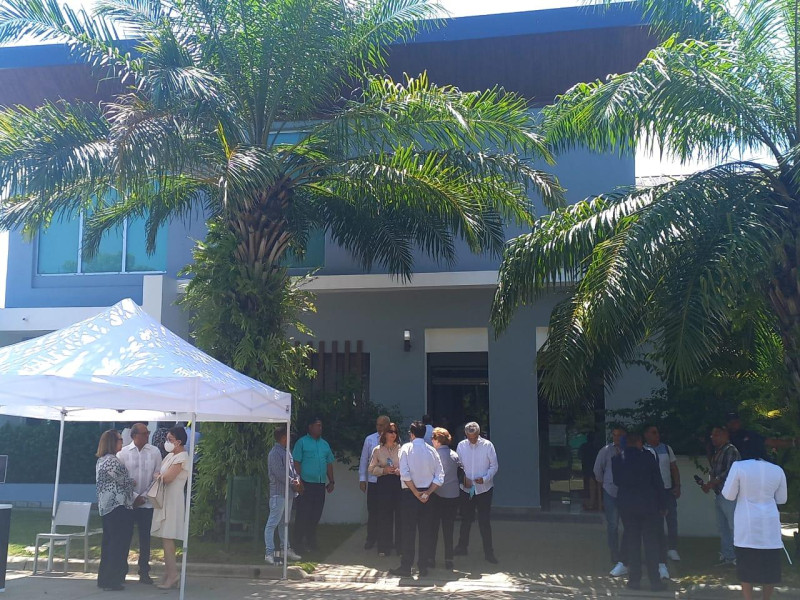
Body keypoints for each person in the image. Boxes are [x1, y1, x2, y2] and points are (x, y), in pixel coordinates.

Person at [721, 439, 788, 600]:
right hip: (769, 524)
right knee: (770, 567)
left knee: (746, 566)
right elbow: (782, 499)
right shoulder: (777, 470)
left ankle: (748, 598)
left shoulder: (739, 467)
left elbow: (728, 495)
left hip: (747, 523)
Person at [612, 432, 667, 592]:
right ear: (638, 442)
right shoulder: (648, 458)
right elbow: (658, 482)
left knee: (632, 543)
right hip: (648, 506)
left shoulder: (616, 460)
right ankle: (655, 581)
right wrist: (663, 504)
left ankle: (634, 580)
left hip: (627, 507)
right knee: (651, 544)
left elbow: (616, 481)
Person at [389, 420, 444, 578]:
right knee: (425, 531)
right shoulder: (432, 451)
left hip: (409, 494)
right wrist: (427, 492)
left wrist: (415, 492)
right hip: (427, 495)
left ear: (412, 434)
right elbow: (440, 475)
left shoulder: (406, 448)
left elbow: (405, 473)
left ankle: (406, 566)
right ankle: (423, 566)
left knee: (408, 531)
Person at [116, 422, 161, 584]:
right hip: (129, 503)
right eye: (145, 433)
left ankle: (144, 572)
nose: (148, 435)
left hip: (147, 503)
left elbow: (158, 477)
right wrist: (134, 496)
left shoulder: (155, 452)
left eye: (148, 433)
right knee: (125, 537)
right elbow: (120, 480)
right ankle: (121, 572)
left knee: (145, 539)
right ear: (135, 435)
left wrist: (144, 497)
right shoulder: (123, 454)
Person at [150, 426, 191, 590]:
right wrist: (159, 476)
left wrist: (159, 476)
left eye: (170, 440)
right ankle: (169, 572)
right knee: (165, 538)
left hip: (173, 501)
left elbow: (167, 478)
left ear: (179, 441)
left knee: (168, 537)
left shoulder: (182, 457)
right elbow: (160, 474)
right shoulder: (169, 456)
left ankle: (173, 574)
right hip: (165, 499)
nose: (167, 442)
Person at [453, 421, 499, 564]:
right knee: (466, 519)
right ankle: (462, 546)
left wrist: (485, 479)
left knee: (484, 521)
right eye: (469, 437)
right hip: (467, 489)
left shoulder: (487, 445)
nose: (471, 440)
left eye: (474, 437)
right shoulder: (461, 445)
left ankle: (488, 552)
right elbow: (458, 465)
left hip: (484, 489)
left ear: (478, 434)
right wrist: (462, 479)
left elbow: (494, 465)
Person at [95, 429, 135, 592]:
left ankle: (104, 578)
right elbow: (126, 482)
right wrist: (133, 482)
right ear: (112, 442)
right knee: (116, 544)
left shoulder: (102, 460)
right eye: (119, 439)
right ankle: (112, 580)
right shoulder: (112, 461)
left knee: (109, 543)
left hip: (107, 508)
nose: (122, 442)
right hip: (117, 507)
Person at [643, 424, 681, 578]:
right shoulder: (644, 450)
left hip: (667, 489)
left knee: (672, 518)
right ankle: (656, 552)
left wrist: (677, 485)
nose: (657, 435)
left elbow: (674, 468)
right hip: (652, 492)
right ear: (646, 435)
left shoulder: (666, 448)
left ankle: (672, 548)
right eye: (653, 433)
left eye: (657, 432)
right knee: (655, 523)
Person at [292, 417, 335, 553]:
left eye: (321, 426)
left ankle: (311, 542)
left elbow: (329, 463)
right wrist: (298, 480)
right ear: (310, 427)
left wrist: (331, 481)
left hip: (320, 484)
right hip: (306, 484)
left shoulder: (324, 445)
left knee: (315, 514)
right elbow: (296, 462)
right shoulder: (302, 443)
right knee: (303, 514)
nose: (320, 428)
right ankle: (297, 543)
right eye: (317, 426)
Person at [702, 425, 740, 566]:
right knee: (723, 527)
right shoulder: (718, 451)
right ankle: (727, 555)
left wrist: (711, 483)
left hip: (729, 495)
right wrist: (709, 483)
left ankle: (738, 556)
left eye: (717, 434)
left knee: (732, 526)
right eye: (712, 434)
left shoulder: (731, 450)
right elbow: (714, 471)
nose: (713, 437)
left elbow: (729, 472)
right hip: (719, 493)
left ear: (725, 435)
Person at [265, 426, 303, 565]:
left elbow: (292, 470)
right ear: (283, 437)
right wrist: (294, 481)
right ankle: (269, 552)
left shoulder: (287, 452)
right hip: (278, 494)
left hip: (288, 493)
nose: (290, 438)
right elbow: (279, 473)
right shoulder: (275, 453)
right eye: (288, 436)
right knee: (272, 523)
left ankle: (285, 549)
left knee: (284, 523)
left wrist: (297, 478)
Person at [594, 426, 628, 576]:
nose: (616, 438)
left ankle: (627, 554)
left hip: (627, 493)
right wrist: (605, 483)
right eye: (614, 435)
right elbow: (597, 469)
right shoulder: (606, 450)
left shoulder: (630, 450)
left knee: (629, 525)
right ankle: (614, 553)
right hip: (611, 492)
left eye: (619, 435)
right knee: (613, 524)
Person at [368, 421, 402, 557]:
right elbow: (371, 469)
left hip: (398, 482)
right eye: (390, 431)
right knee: (384, 515)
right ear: (385, 433)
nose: (393, 434)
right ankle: (384, 546)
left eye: (395, 432)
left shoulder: (402, 449)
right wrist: (384, 470)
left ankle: (400, 547)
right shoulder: (377, 450)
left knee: (400, 516)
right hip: (384, 483)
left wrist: (400, 471)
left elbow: (408, 466)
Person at [430, 427, 461, 570]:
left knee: (433, 528)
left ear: (437, 440)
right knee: (448, 529)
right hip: (452, 494)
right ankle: (449, 558)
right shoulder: (454, 455)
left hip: (437, 494)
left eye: (433, 438)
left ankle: (431, 558)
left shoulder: (433, 455)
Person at [359, 415, 390, 550]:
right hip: (373, 480)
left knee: (387, 511)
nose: (379, 427)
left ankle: (386, 540)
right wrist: (362, 479)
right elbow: (364, 459)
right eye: (377, 424)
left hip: (388, 479)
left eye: (382, 425)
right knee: (373, 510)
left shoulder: (392, 438)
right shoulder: (370, 439)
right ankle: (371, 538)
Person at [726, 412, 799, 453]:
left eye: (736, 422)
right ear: (727, 424)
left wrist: (793, 442)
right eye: (731, 422)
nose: (734, 424)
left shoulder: (749, 434)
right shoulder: (725, 439)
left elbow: (771, 442)